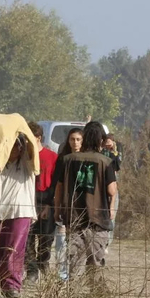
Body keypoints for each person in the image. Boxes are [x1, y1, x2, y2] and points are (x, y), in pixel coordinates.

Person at [53, 122, 117, 285]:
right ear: (100, 140)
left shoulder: (68, 160)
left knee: (74, 265)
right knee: (95, 265)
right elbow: (111, 190)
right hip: (97, 220)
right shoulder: (105, 161)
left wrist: (57, 209)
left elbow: (59, 187)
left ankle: (73, 292)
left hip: (74, 219)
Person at [0, 133, 37, 298]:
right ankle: (6, 288)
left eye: (17, 145)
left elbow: (33, 149)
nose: (14, 149)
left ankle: (13, 287)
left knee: (13, 251)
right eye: (10, 145)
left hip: (21, 212)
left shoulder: (27, 163)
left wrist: (20, 130)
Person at [24, 122, 59, 283]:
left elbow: (56, 183)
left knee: (46, 238)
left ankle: (43, 264)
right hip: (26, 200)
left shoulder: (52, 156)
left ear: (38, 137)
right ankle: (31, 271)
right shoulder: (23, 156)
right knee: (27, 239)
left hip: (46, 199)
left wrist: (49, 205)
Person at [53, 128, 83, 281]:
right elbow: (57, 184)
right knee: (62, 241)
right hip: (65, 204)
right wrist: (56, 206)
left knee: (77, 243)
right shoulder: (63, 159)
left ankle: (73, 274)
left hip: (81, 206)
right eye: (72, 139)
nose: (75, 142)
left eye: (78, 139)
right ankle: (62, 274)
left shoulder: (85, 159)